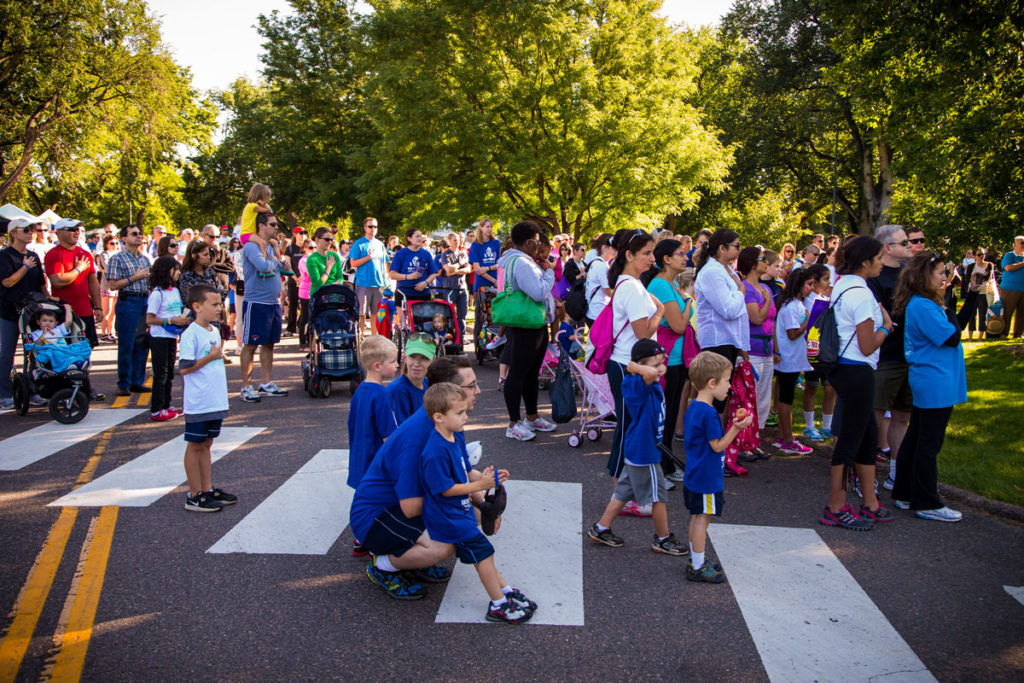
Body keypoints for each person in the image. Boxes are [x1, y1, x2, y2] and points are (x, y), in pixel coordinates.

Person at [352, 356, 481, 600]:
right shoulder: (417, 438)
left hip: (398, 507)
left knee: (472, 513)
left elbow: (463, 470)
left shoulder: (448, 421)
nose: (478, 391)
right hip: (375, 516)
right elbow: (410, 508)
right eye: (471, 385)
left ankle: (413, 561)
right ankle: (383, 565)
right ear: (448, 393)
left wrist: (485, 498)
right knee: (445, 542)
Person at [419, 382, 535, 623]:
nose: (465, 417)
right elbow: (445, 489)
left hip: (459, 514)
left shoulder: (452, 437)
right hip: (449, 519)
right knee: (483, 553)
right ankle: (498, 604)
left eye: (465, 412)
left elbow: (463, 472)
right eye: (459, 413)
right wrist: (479, 486)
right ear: (438, 417)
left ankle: (505, 591)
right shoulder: (435, 451)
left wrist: (487, 479)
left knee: (484, 554)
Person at [820, 236, 895, 531]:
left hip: (843, 367)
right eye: (878, 257)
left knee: (867, 436)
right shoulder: (861, 293)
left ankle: (869, 501)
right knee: (850, 441)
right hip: (857, 369)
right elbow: (867, 345)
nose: (882, 262)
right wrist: (886, 329)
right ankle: (835, 506)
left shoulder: (842, 284)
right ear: (865, 261)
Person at [587, 339, 688, 555]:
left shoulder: (645, 381)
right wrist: (634, 366)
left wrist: (647, 366)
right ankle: (663, 539)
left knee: (622, 492)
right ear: (641, 366)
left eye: (663, 362)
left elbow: (651, 373)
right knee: (658, 496)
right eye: (655, 364)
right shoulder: (637, 383)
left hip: (639, 448)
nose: (661, 368)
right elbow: (648, 374)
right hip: (645, 453)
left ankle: (601, 528)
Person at [891, 252, 967, 522]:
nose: (945, 277)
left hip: (932, 378)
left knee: (916, 438)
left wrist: (947, 308)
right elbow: (951, 337)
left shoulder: (922, 303)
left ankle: (905, 493)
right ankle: (927, 501)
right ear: (925, 277)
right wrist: (949, 310)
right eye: (940, 273)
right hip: (935, 380)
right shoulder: (924, 305)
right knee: (928, 443)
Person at [603, 228, 664, 515]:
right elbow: (643, 336)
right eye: (646, 254)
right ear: (629, 255)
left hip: (629, 365)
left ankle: (626, 493)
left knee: (630, 428)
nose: (653, 259)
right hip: (628, 366)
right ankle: (621, 495)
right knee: (626, 430)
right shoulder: (631, 287)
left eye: (652, 252)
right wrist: (660, 314)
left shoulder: (629, 284)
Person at [683, 351, 752, 583]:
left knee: (696, 516)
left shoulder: (693, 407)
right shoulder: (710, 413)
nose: (729, 386)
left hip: (695, 473)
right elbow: (717, 445)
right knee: (703, 518)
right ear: (712, 383)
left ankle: (696, 559)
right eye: (727, 380)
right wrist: (737, 426)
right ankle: (699, 565)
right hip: (707, 476)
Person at [496, 221, 558, 441]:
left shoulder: (514, 260)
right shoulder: (521, 262)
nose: (539, 245)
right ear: (530, 241)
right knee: (519, 374)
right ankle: (513, 423)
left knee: (531, 373)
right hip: (525, 324)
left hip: (529, 322)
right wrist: (549, 273)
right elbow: (538, 292)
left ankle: (531, 417)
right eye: (537, 240)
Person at [178, 283, 236, 513]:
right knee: (195, 445)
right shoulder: (191, 334)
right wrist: (211, 357)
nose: (219, 309)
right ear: (197, 307)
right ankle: (194, 494)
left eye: (219, 304)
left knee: (207, 444)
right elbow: (185, 368)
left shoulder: (212, 330)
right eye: (213, 304)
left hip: (214, 399)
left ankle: (206, 488)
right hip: (199, 401)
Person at [867, 225, 914, 489]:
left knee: (902, 417)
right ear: (887, 248)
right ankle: (866, 473)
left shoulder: (910, 275)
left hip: (909, 356)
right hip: (883, 357)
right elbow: (877, 318)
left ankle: (896, 473)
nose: (910, 246)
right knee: (874, 416)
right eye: (905, 242)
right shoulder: (875, 277)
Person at [642, 239, 691, 481]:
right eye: (680, 253)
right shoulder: (661, 285)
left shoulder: (670, 283)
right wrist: (689, 302)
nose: (686, 257)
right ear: (666, 259)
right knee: (666, 416)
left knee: (670, 415)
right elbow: (679, 325)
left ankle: (666, 465)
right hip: (667, 360)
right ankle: (661, 468)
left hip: (676, 358)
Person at [347, 335, 400, 554]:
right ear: (378, 366)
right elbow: (390, 435)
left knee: (364, 497)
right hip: (376, 458)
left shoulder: (360, 390)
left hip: (360, 452)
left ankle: (360, 537)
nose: (397, 365)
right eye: (393, 361)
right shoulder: (382, 394)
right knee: (382, 501)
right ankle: (374, 540)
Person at [693, 228, 748, 413]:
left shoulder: (725, 269)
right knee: (713, 398)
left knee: (721, 399)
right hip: (717, 342)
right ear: (722, 248)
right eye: (736, 246)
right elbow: (729, 310)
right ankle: (707, 439)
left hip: (728, 340)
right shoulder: (711, 272)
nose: (740, 249)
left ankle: (714, 438)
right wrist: (741, 291)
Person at [238, 213, 288, 403]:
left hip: (273, 302)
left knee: (269, 344)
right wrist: (276, 260)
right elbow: (263, 267)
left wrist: (282, 260)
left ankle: (266, 383)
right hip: (256, 303)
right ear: (261, 226)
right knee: (250, 344)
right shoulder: (251, 246)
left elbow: (278, 267)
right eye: (272, 224)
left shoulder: (269, 246)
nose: (276, 228)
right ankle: (245, 386)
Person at [1, 218, 49, 410]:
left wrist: (49, 299)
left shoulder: (33, 255)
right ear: (13, 233)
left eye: (33, 229)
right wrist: (25, 267)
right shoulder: (5, 256)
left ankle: (32, 389)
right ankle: (4, 393)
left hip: (32, 311)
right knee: (7, 353)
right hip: (9, 311)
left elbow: (40, 283)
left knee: (35, 352)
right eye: (26, 229)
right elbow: (7, 282)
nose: (31, 232)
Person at [772, 268, 815, 455]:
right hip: (788, 359)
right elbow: (792, 333)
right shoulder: (790, 306)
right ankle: (787, 439)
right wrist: (810, 321)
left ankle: (784, 436)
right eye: (809, 284)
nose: (811, 288)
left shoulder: (795, 304)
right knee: (786, 398)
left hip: (793, 358)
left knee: (786, 396)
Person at [45, 219, 104, 353]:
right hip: (63, 313)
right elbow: (58, 281)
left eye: (78, 229)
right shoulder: (54, 254)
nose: (76, 232)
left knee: (86, 350)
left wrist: (98, 306)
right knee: (65, 352)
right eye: (71, 229)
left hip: (84, 311)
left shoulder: (85, 254)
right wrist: (78, 269)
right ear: (59, 233)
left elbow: (93, 282)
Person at [738, 245, 776, 437]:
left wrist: (775, 349)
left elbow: (772, 320)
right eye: (762, 259)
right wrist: (767, 301)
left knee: (763, 396)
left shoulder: (766, 287)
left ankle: (757, 434)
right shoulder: (747, 289)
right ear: (753, 264)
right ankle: (745, 435)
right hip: (752, 349)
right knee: (750, 394)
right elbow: (757, 318)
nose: (766, 263)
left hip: (768, 349)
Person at [146, 257, 189, 422]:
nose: (178, 273)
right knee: (161, 374)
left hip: (172, 336)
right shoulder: (157, 293)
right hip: (159, 337)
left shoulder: (175, 291)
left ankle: (166, 404)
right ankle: (157, 409)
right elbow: (149, 319)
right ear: (166, 271)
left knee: (170, 373)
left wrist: (182, 317)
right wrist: (170, 321)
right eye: (175, 269)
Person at [801, 264, 836, 440]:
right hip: (812, 350)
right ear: (814, 282)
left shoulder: (828, 300)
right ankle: (808, 425)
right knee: (812, 386)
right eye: (825, 279)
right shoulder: (808, 301)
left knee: (830, 388)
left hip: (828, 349)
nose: (829, 282)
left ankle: (827, 425)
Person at [389, 228, 440, 329]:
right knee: (402, 323)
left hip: (423, 292)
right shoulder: (401, 254)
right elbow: (392, 274)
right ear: (409, 238)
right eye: (417, 236)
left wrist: (425, 283)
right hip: (404, 292)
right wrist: (408, 276)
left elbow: (434, 273)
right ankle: (404, 340)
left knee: (423, 324)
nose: (420, 238)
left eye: (420, 236)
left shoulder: (426, 254)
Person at [349, 217, 388, 337]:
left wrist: (386, 281)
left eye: (375, 226)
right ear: (365, 228)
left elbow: (384, 263)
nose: (373, 229)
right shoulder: (359, 244)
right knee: (361, 313)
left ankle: (374, 338)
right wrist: (368, 257)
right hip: (363, 283)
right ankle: (360, 338)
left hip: (378, 284)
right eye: (370, 226)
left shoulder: (380, 244)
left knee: (376, 314)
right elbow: (353, 263)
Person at [389, 334, 435, 424]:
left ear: (433, 360)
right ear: (405, 357)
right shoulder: (398, 390)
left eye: (424, 358)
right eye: (412, 357)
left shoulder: (429, 385)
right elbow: (402, 432)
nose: (417, 363)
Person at [469, 218, 501, 341]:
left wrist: (487, 267)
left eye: (490, 227)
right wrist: (492, 279)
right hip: (481, 284)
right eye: (487, 226)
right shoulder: (476, 245)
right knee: (481, 316)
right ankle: (480, 343)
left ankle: (495, 341)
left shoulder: (496, 243)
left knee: (495, 316)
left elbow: (499, 264)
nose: (489, 229)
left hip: (496, 284)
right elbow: (477, 269)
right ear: (481, 228)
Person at [435, 232, 470, 341]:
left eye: (459, 239)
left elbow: (468, 269)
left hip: (462, 287)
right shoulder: (445, 254)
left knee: (462, 314)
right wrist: (459, 265)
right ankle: (449, 335)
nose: (457, 241)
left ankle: (461, 336)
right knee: (449, 314)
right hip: (450, 288)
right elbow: (448, 269)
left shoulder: (463, 253)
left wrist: (455, 271)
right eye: (455, 239)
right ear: (450, 241)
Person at [958, 246, 994, 340]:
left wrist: (978, 278)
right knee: (971, 315)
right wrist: (978, 278)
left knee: (982, 314)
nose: (980, 256)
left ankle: (980, 337)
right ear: (975, 256)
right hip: (972, 291)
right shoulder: (971, 266)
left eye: (982, 254)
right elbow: (967, 279)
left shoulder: (989, 265)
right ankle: (970, 337)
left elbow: (988, 278)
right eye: (978, 254)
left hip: (983, 292)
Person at [584, 233, 615, 328]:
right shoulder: (602, 265)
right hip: (598, 312)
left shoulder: (596, 262)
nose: (616, 250)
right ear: (604, 247)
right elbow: (608, 291)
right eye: (613, 247)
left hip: (593, 311)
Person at [305, 227, 344, 299]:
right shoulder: (312, 259)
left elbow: (340, 278)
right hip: (319, 298)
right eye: (327, 239)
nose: (330, 242)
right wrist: (328, 268)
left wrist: (333, 286)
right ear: (317, 240)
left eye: (331, 240)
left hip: (335, 297)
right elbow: (317, 284)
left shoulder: (334, 256)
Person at [999, 236, 1024, 339]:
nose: (1023, 245)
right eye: (1021, 243)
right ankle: (1004, 333)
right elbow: (1008, 268)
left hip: (1023, 289)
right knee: (1007, 313)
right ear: (1015, 245)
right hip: (1009, 289)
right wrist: (1023, 263)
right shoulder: (1009, 255)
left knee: (1022, 314)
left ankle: (1018, 334)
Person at [284, 227, 307, 337]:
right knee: (292, 304)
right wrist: (296, 278)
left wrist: (302, 278)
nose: (302, 235)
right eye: (300, 233)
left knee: (305, 305)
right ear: (295, 234)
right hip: (294, 280)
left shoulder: (307, 247)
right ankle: (291, 328)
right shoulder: (290, 248)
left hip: (306, 281)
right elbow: (287, 265)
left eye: (304, 233)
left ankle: (302, 325)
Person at [96, 235, 120, 342]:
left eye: (116, 243)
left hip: (117, 285)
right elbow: (107, 268)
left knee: (114, 311)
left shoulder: (118, 254)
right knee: (107, 310)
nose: (114, 245)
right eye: (112, 243)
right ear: (106, 244)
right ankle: (104, 332)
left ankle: (111, 331)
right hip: (107, 284)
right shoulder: (104, 255)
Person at [238, 182, 273, 249]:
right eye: (266, 199)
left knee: (274, 242)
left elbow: (271, 213)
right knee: (263, 243)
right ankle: (263, 258)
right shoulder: (252, 206)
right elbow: (269, 211)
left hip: (253, 234)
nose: (268, 201)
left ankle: (278, 258)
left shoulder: (254, 206)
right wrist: (264, 204)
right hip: (246, 234)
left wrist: (264, 203)